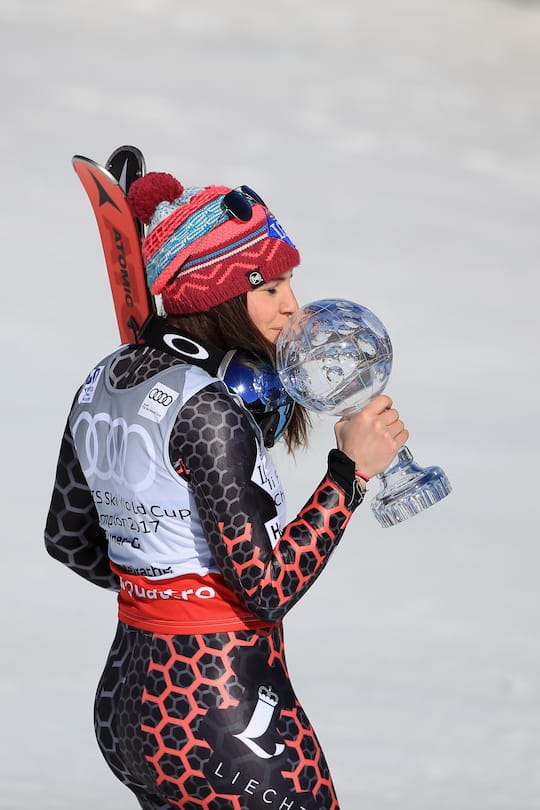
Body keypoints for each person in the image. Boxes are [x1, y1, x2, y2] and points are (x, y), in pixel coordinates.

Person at [45, 169, 409, 810]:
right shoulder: (209, 408)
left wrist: (164, 583)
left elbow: (69, 540)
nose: (293, 305)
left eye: (290, 282)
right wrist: (349, 475)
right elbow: (268, 588)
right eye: (269, 287)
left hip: (128, 702)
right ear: (214, 296)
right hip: (221, 711)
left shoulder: (102, 378)